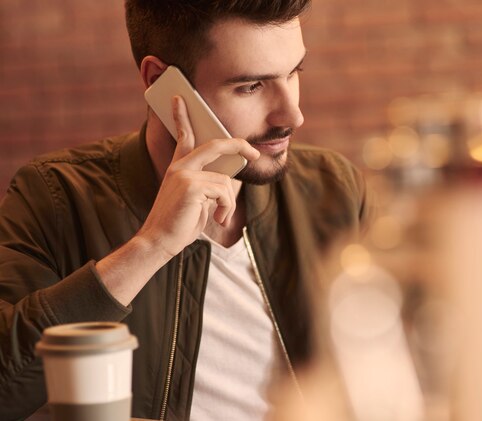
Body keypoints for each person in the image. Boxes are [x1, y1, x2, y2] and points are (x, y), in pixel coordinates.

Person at [0, 1, 370, 420]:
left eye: (294, 73)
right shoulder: (56, 196)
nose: (293, 115)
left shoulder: (332, 189)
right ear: (161, 83)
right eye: (250, 87)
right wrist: (151, 246)